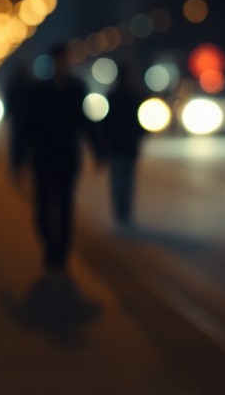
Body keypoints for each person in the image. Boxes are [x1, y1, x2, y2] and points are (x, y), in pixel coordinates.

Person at [12, 43, 104, 273]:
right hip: (43, 157)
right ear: (53, 62)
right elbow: (25, 125)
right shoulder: (37, 91)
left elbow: (85, 121)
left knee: (64, 207)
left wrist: (98, 150)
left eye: (66, 60)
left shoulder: (77, 87)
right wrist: (18, 158)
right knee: (42, 208)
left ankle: (60, 256)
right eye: (61, 60)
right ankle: (49, 247)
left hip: (67, 157)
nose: (64, 64)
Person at [101, 61, 147, 226]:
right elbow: (141, 122)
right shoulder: (134, 96)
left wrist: (103, 143)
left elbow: (107, 123)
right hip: (127, 146)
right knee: (127, 180)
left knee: (118, 180)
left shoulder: (113, 95)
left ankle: (120, 210)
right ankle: (124, 211)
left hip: (117, 145)